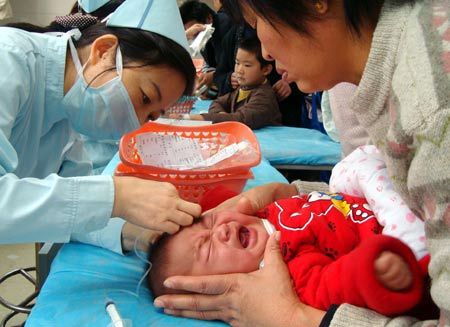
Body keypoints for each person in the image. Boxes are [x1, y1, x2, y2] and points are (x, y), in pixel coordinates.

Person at [153, 0, 449, 326]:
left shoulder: (431, 109)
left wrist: (292, 317)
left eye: (258, 24)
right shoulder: (401, 67)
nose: (265, 52)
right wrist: (292, 191)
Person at [0, 0, 202, 250]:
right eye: (145, 98)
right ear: (104, 50)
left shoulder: (69, 113)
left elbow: (76, 209)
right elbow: (88, 202)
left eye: (151, 116)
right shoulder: (8, 59)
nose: (135, 122)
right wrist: (117, 196)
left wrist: (136, 234)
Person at [149, 189, 426, 316]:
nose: (219, 230)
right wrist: (372, 271)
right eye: (206, 249)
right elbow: (333, 285)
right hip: (397, 237)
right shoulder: (287, 275)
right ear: (225, 287)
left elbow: (307, 196)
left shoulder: (263, 211)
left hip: (381, 198)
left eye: (208, 222)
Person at [174, 36, 282, 129]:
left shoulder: (264, 96)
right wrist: (221, 115)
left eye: (247, 65)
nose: (239, 70)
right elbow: (217, 103)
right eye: (237, 63)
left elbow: (239, 119)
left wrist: (192, 118)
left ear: (266, 70)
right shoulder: (243, 88)